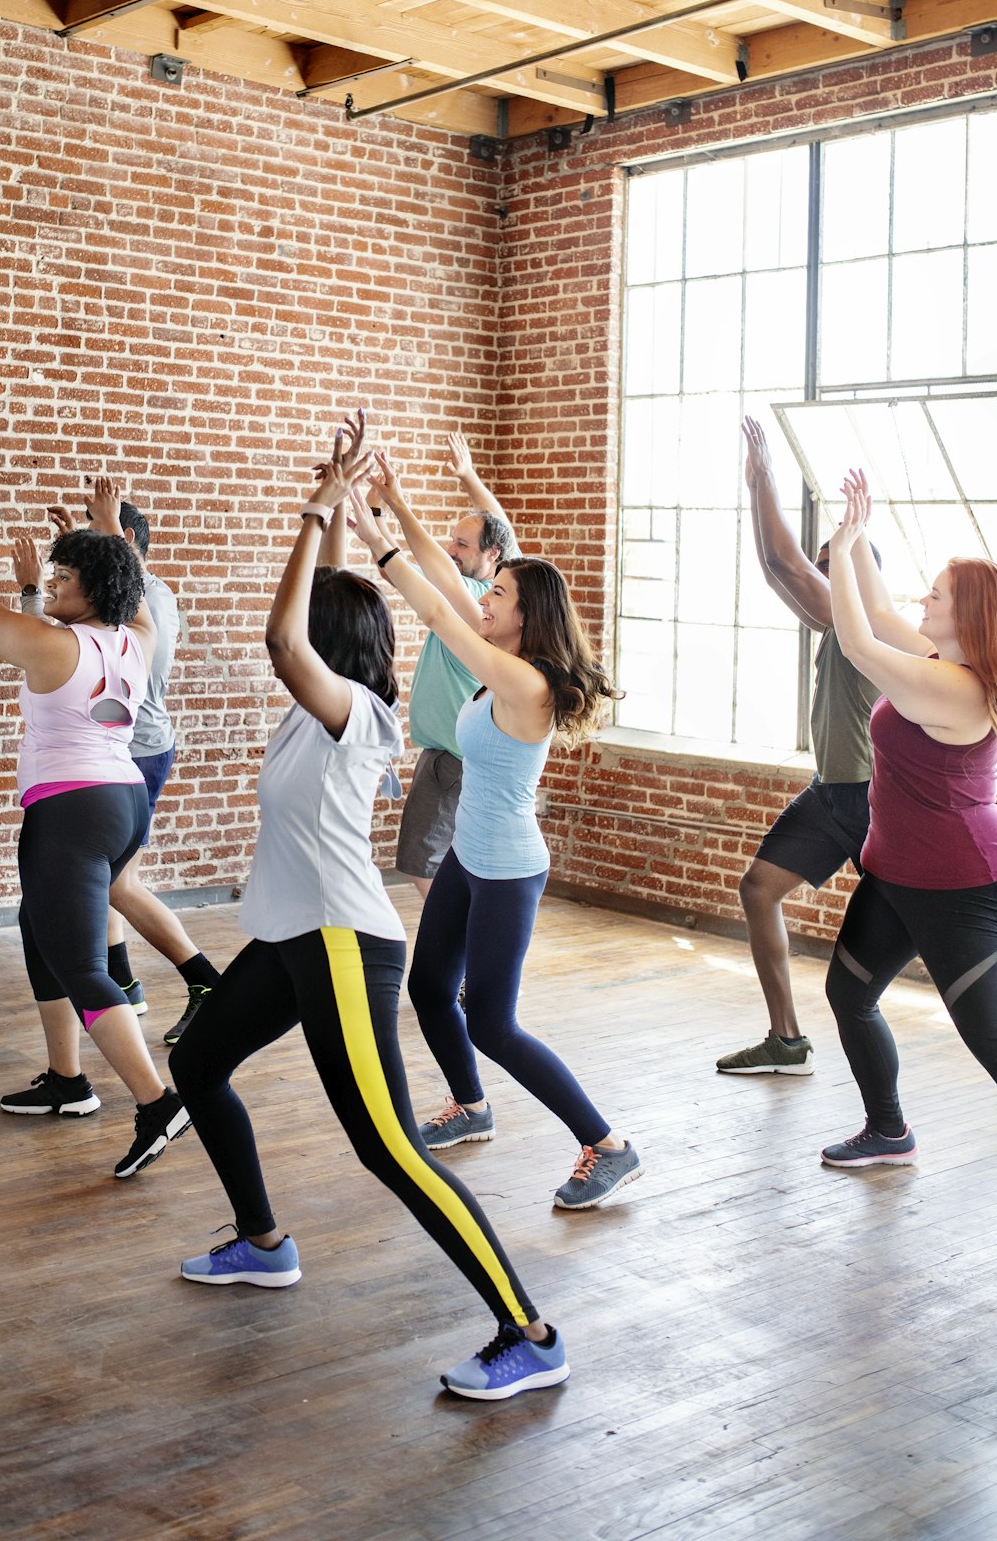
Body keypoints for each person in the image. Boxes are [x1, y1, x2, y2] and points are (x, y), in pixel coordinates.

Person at [171, 422, 569, 1402]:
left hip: (346, 941)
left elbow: (283, 636)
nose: (303, 630)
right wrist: (344, 503)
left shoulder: (353, 709)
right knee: (195, 1060)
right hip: (292, 936)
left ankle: (529, 1330)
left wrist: (318, 518)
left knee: (388, 1145)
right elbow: (319, 610)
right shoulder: (323, 706)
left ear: (333, 647)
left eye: (319, 625)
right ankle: (264, 1241)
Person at [719, 418, 997, 1083]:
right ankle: (793, 1044)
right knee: (769, 895)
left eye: (833, 570)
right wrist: (840, 531)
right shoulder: (906, 640)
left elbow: (789, 571)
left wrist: (762, 475)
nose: (818, 580)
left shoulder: (888, 647)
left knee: (943, 955)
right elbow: (825, 588)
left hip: (873, 802)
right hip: (832, 790)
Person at [349, 460, 637, 1212]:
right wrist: (386, 511)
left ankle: (607, 1145)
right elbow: (449, 584)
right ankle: (471, 1107)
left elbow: (441, 611)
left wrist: (375, 542)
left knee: (493, 1022)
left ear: (525, 615)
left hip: (506, 868)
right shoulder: (504, 659)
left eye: (498, 593)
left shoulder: (527, 682)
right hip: (469, 860)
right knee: (428, 987)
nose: (483, 597)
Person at [818, 471, 997, 1179]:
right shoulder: (941, 658)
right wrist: (859, 533)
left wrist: (841, 550)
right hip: (898, 872)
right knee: (848, 993)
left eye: (934, 594)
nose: (921, 600)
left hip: (960, 882)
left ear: (964, 616)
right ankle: (887, 1130)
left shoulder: (953, 687)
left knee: (994, 1041)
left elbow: (854, 644)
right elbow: (872, 616)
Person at [0, 480, 189, 1180]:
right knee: (38, 928)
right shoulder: (136, 637)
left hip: (72, 813)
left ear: (94, 588)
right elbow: (70, 624)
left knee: (83, 965)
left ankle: (156, 1104)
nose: (51, 582)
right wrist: (100, 537)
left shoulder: (56, 647)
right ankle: (66, 1081)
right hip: (120, 802)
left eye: (63, 576)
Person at [22, 489, 219, 1044]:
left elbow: (104, 661)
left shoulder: (148, 600)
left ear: (122, 545)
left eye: (96, 539)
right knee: (105, 885)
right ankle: (127, 986)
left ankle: (202, 981)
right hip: (109, 755)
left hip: (131, 752)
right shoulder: (118, 599)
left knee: (115, 885)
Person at [392, 434, 516, 903]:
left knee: (420, 859)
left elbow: (419, 563)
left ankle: (456, 948)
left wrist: (387, 512)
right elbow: (500, 526)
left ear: (491, 557)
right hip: (458, 754)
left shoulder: (469, 600)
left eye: (462, 544)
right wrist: (468, 477)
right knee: (441, 860)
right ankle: (460, 948)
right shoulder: (503, 593)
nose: (451, 549)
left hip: (452, 758)